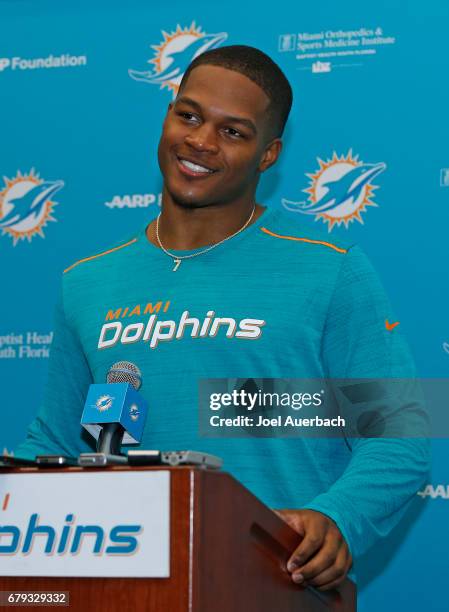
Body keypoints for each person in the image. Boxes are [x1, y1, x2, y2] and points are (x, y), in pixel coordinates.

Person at [16, 45, 429, 593]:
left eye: (233, 132)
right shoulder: (86, 281)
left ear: (269, 154)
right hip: (118, 587)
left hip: (277, 588)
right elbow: (56, 436)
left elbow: (399, 433)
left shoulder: (330, 270)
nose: (201, 142)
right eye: (189, 115)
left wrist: (337, 517)